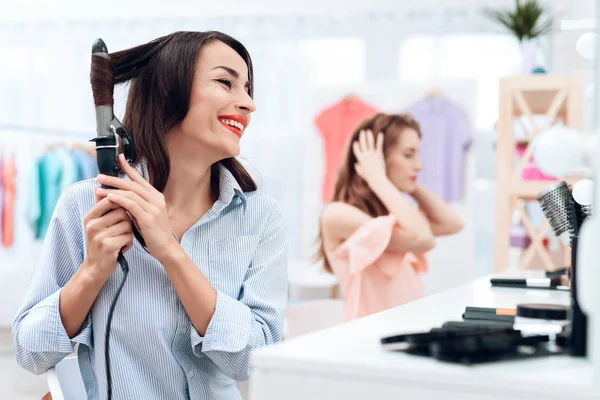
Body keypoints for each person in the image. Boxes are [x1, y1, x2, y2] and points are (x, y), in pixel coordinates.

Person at [13, 31, 288, 400]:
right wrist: (93, 270)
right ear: (168, 92)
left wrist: (170, 252)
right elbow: (31, 353)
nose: (248, 104)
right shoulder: (87, 205)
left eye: (248, 89)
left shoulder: (262, 217)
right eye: (226, 82)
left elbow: (254, 363)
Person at [316, 113, 463, 321]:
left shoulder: (392, 217)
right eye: (408, 155)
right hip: (372, 341)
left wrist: (411, 186)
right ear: (378, 159)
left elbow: (453, 224)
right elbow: (424, 240)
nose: (419, 165)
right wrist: (377, 176)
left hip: (407, 332)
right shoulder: (337, 214)